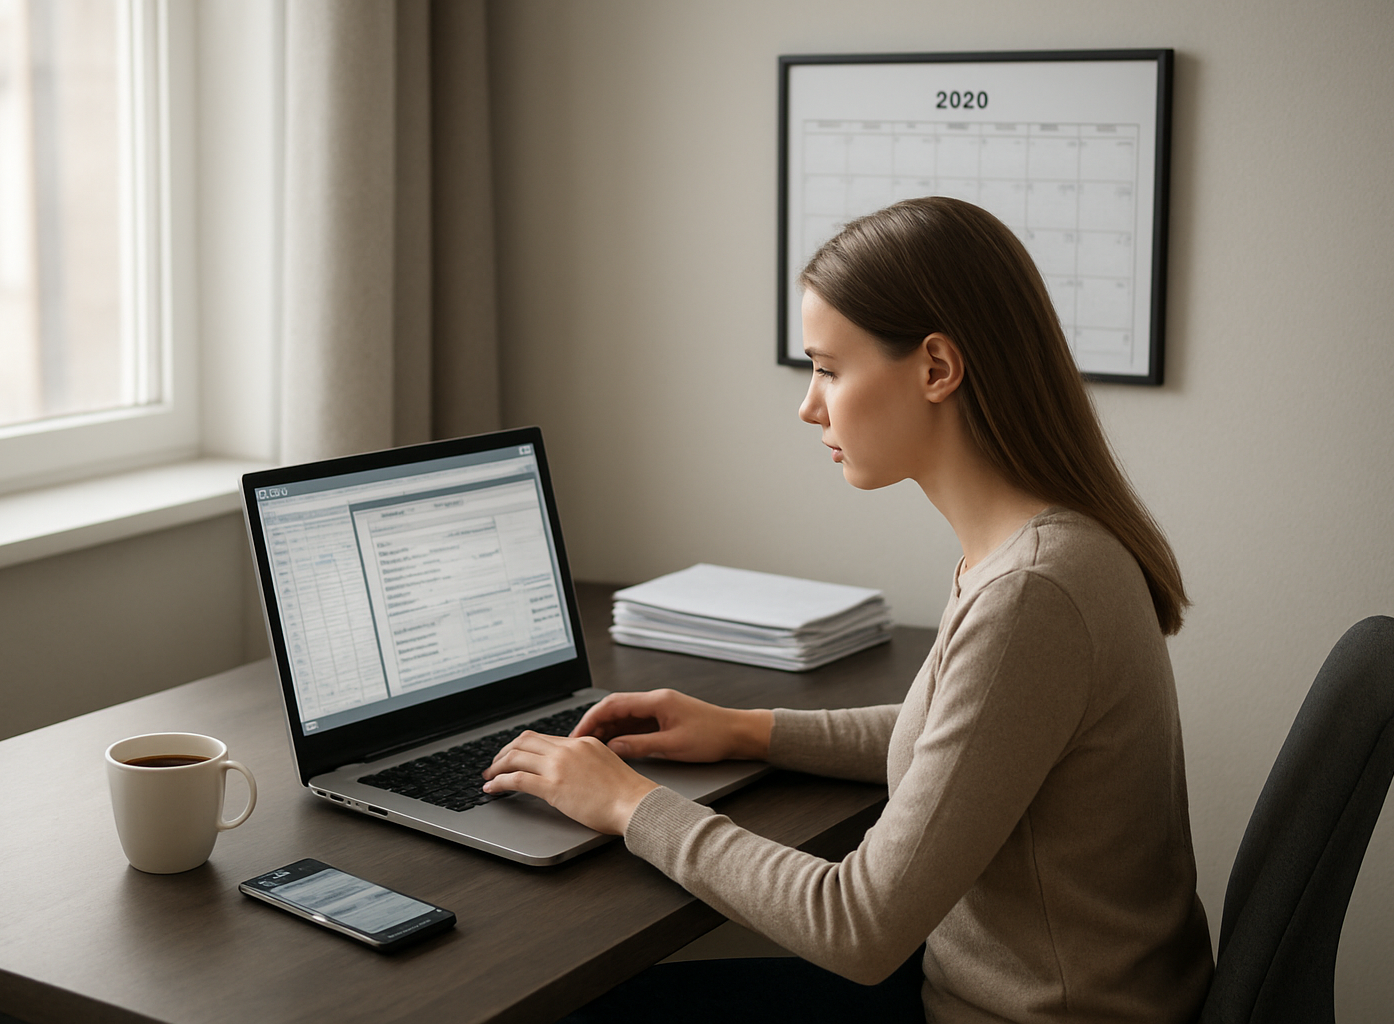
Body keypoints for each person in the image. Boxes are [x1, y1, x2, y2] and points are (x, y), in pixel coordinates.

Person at [482, 196, 1215, 1023]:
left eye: (829, 369)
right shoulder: (1040, 546)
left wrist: (628, 805)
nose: (809, 404)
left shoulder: (1031, 595)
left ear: (937, 369)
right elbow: (959, 740)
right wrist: (744, 729)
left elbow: (857, 926)